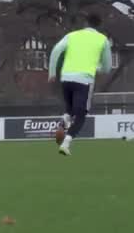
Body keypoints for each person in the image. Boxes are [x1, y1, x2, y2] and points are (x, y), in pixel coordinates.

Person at [48, 13, 112, 156]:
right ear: (99, 26)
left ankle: (64, 118)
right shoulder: (103, 40)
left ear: (85, 24)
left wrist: (52, 73)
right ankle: (66, 144)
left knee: (70, 109)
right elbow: (107, 68)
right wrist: (97, 68)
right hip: (84, 80)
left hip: (66, 79)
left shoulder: (72, 35)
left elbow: (56, 50)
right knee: (81, 114)